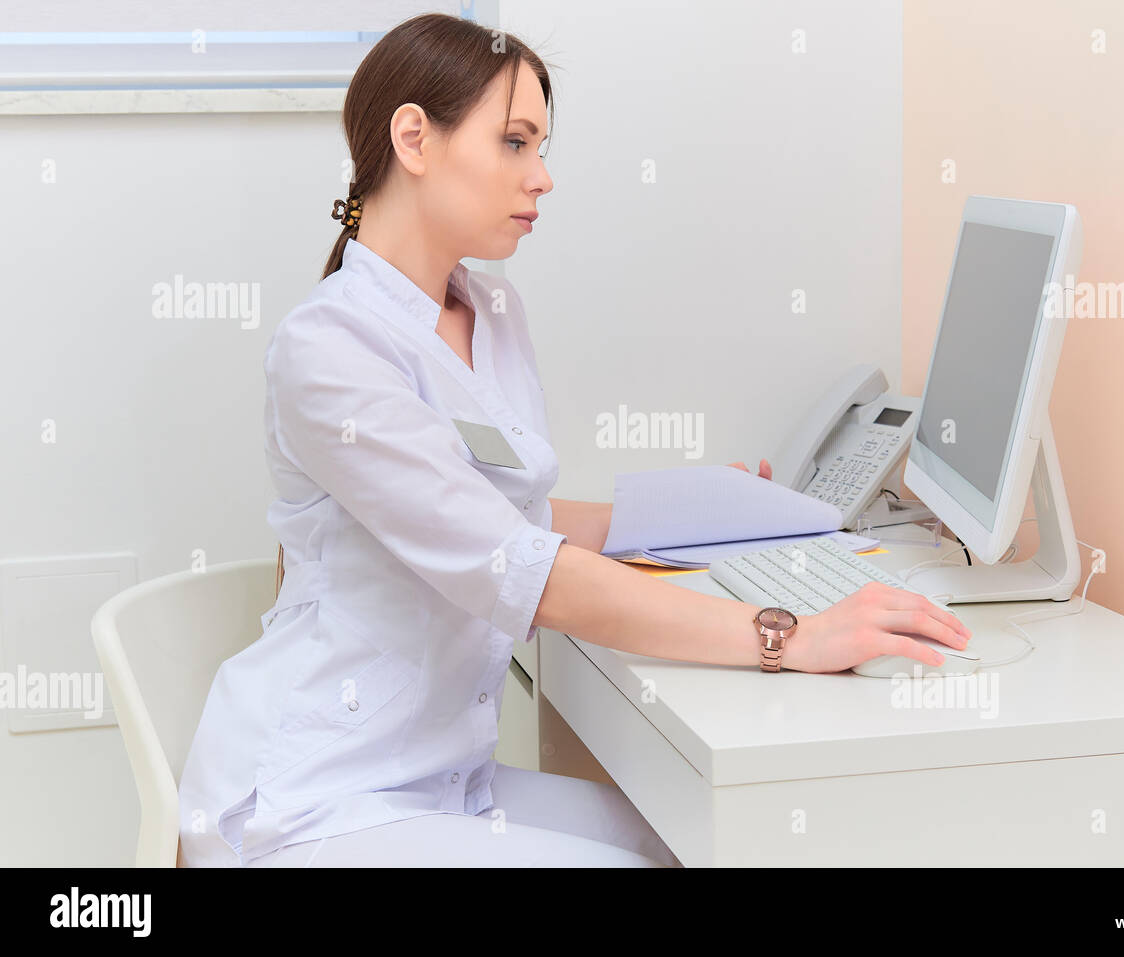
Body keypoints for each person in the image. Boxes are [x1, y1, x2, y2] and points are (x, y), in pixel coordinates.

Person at [177, 12, 970, 869]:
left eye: (541, 146)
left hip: (443, 778)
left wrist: (730, 511)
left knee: (699, 839)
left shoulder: (489, 311)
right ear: (415, 138)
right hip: (317, 798)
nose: (544, 176)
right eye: (515, 143)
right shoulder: (328, 349)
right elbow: (518, 566)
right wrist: (785, 635)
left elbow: (525, 513)